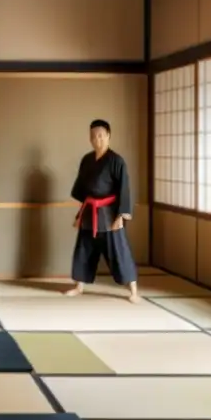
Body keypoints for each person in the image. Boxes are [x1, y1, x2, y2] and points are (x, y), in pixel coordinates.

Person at [65, 119, 139, 302]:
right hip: (90, 212)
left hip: (109, 212)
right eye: (93, 136)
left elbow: (124, 188)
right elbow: (82, 189)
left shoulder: (116, 161)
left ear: (108, 136)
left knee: (119, 251)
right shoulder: (87, 160)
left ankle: (134, 291)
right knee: (84, 249)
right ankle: (79, 286)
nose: (96, 139)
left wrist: (121, 215)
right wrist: (80, 215)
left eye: (100, 135)